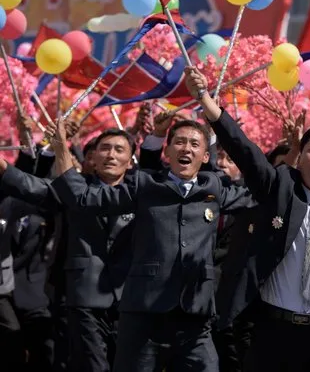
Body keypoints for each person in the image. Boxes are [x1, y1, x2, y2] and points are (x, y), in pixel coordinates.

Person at [186, 66, 310, 371]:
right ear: (300, 159)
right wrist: (207, 101)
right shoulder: (279, 189)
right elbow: (244, 151)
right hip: (273, 334)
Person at [47, 118, 255, 372]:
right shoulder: (145, 185)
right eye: (179, 142)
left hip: (195, 319)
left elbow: (266, 191)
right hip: (144, 318)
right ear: (166, 152)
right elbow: (84, 198)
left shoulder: (215, 189)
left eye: (194, 144)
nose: (186, 149)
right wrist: (60, 149)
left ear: (204, 156)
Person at [0, 128, 139, 372]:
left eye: (119, 150)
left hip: (130, 299)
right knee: (94, 365)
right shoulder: (73, 189)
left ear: (129, 162)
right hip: (84, 297)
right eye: (104, 148)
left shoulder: (140, 192)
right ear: (92, 158)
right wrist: (3, 167)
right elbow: (33, 186)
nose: (111, 155)